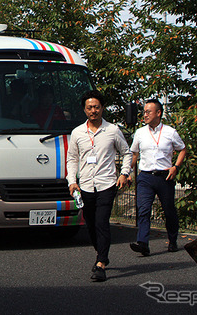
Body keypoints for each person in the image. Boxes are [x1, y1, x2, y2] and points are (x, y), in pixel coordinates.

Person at [67, 90, 132, 282]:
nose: (93, 111)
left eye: (96, 107)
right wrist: (72, 181)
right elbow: (72, 158)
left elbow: (126, 153)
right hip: (86, 185)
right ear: (84, 109)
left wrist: (124, 173)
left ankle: (101, 263)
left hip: (106, 183)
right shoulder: (78, 132)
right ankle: (101, 252)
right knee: (91, 224)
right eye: (89, 108)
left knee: (102, 222)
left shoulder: (112, 130)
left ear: (102, 108)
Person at [129, 99, 186, 256]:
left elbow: (182, 149)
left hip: (164, 177)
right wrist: (126, 172)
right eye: (144, 112)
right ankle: (143, 243)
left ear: (158, 113)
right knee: (143, 209)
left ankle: (173, 240)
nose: (145, 114)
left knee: (169, 211)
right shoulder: (140, 133)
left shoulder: (170, 132)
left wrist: (176, 167)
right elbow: (134, 155)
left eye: (148, 112)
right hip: (145, 177)